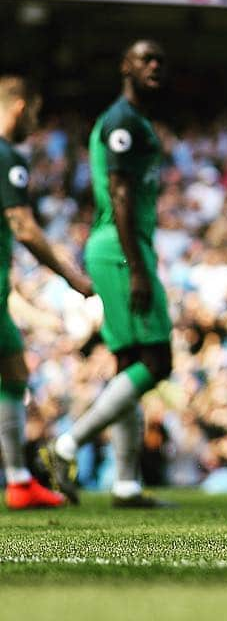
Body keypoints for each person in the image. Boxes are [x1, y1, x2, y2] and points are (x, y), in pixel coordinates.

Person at [42, 42, 175, 508]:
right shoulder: (122, 122)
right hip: (121, 252)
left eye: (160, 60)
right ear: (125, 66)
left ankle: (126, 484)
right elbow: (119, 195)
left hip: (122, 249)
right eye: (145, 59)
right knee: (158, 362)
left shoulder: (131, 121)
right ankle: (66, 444)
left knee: (128, 365)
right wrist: (138, 268)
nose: (155, 66)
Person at [0, 77, 93, 510]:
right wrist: (72, 277)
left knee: (15, 370)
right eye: (35, 113)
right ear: (19, 107)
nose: (35, 123)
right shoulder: (6, 156)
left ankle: (19, 481)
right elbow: (22, 225)